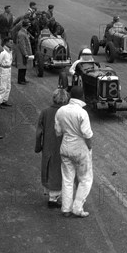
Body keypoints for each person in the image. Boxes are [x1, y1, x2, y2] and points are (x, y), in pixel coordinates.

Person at [55, 86, 94, 218]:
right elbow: (87, 135)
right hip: (80, 148)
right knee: (85, 179)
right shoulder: (82, 113)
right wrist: (89, 148)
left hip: (65, 147)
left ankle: (66, 208)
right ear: (82, 97)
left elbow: (58, 132)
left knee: (67, 178)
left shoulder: (61, 110)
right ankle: (77, 208)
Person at [35, 88, 70, 208]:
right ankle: (57, 197)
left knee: (49, 168)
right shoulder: (67, 113)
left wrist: (38, 146)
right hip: (63, 145)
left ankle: (51, 196)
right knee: (61, 170)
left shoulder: (45, 112)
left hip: (48, 145)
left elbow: (39, 131)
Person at [0, 37, 14, 107]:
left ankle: (5, 100)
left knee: (8, 86)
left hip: (8, 69)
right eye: (10, 42)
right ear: (6, 42)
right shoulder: (3, 52)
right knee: (2, 87)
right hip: (3, 70)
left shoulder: (10, 51)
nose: (12, 44)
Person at [16, 20, 32, 85]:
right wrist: (25, 54)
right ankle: (20, 80)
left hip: (23, 52)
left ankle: (23, 79)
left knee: (24, 66)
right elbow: (22, 45)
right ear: (27, 25)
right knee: (22, 67)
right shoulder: (22, 34)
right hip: (22, 53)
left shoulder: (23, 32)